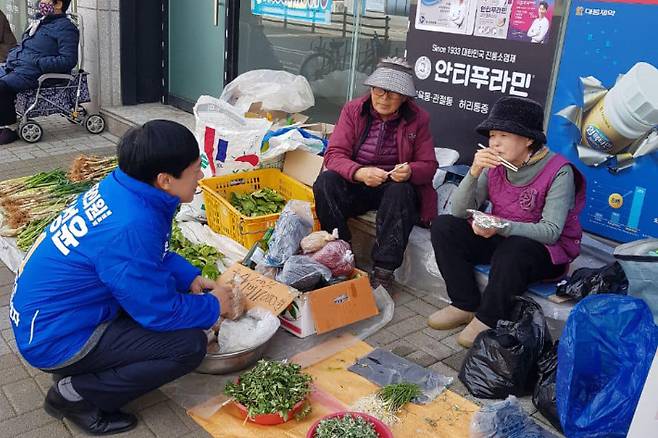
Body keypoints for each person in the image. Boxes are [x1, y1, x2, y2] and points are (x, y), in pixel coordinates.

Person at [9, 120, 243, 435]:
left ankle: (87, 370)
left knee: (176, 305)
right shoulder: (132, 223)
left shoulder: (124, 188)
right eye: (194, 169)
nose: (200, 175)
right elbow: (158, 312)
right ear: (164, 180)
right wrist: (214, 307)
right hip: (55, 338)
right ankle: (76, 396)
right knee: (187, 346)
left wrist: (189, 278)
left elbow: (147, 258)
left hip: (50, 319)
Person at [428, 96, 585, 348]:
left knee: (515, 249)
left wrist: (500, 225)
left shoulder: (559, 170)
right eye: (492, 135)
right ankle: (464, 303)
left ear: (528, 139)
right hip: (501, 239)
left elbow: (551, 232)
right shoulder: (494, 165)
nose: (495, 143)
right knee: (444, 226)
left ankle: (488, 318)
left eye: (503, 135)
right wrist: (474, 171)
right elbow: (458, 211)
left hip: (543, 253)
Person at [313, 57, 438, 290]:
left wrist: (410, 171)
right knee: (326, 182)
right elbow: (334, 154)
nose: (384, 98)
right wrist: (359, 172)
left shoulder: (418, 119)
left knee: (401, 191)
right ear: (371, 89)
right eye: (379, 91)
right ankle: (341, 252)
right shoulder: (353, 110)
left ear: (404, 97)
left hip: (392, 188)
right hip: (358, 183)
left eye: (392, 93)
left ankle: (383, 271)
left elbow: (429, 164)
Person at [0, 0, 79, 145]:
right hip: (18, 67)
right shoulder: (40, 22)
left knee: (1, 86)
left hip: (37, 74)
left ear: (58, 4)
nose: (40, 2)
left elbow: (68, 60)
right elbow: (24, 47)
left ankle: (10, 127)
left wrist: (37, 62)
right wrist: (14, 56)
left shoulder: (66, 28)